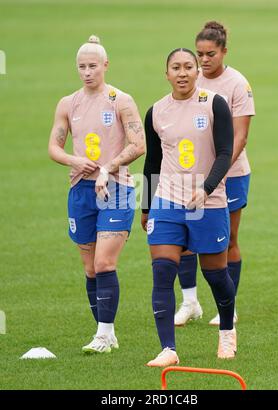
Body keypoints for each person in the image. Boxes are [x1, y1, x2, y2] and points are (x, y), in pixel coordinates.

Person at [48, 35, 145, 353]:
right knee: (90, 268)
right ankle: (106, 333)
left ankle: (103, 335)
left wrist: (109, 167)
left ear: (105, 65)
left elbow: (138, 145)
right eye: (81, 66)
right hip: (80, 190)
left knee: (104, 263)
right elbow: (53, 147)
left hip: (116, 189)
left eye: (93, 66)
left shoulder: (121, 100)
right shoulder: (67, 103)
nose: (87, 72)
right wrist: (75, 160)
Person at [141, 48, 235, 366]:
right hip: (167, 200)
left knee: (215, 273)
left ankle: (226, 331)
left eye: (188, 67)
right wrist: (145, 207)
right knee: (163, 270)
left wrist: (206, 189)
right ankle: (169, 349)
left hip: (208, 201)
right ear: (166, 73)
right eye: (175, 68)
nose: (182, 73)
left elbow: (225, 152)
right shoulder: (156, 112)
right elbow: (152, 162)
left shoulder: (214, 104)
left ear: (197, 71)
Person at [175, 21, 255, 327]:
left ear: (224, 52)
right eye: (199, 54)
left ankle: (228, 307)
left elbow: (240, 136)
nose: (204, 60)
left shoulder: (237, 85)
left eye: (210, 54)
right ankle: (190, 303)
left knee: (228, 241)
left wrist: (216, 173)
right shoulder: (191, 82)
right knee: (184, 239)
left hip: (230, 175)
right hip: (190, 176)